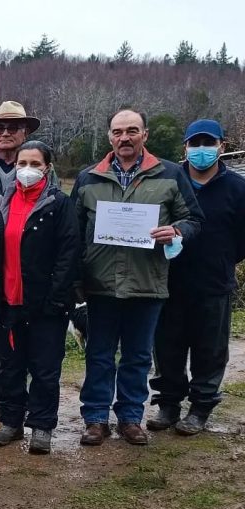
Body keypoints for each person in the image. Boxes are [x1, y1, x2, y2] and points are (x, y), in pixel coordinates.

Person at [72, 109, 203, 446]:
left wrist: (175, 230)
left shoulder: (171, 174)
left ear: (144, 134)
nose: (124, 138)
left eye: (132, 131)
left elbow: (194, 220)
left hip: (148, 282)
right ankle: (96, 418)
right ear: (109, 137)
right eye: (118, 132)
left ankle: (131, 417)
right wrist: (76, 279)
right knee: (99, 353)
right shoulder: (89, 178)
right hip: (100, 284)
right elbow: (73, 232)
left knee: (138, 355)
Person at [0, 142, 79, 454]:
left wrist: (56, 298)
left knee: (45, 368)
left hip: (45, 304)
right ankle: (11, 421)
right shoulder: (0, 204)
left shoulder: (59, 205)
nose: (27, 169)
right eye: (22, 162)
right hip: (6, 302)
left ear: (47, 168)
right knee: (10, 366)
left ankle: (42, 427)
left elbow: (68, 253)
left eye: (35, 163)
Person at [147, 119, 245, 435]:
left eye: (208, 144)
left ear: (221, 147)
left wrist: (224, 259)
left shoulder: (237, 188)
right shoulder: (169, 180)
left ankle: (200, 408)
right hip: (168, 280)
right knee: (167, 348)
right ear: (185, 148)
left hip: (214, 283)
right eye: (194, 144)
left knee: (210, 350)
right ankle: (169, 405)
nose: (201, 150)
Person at [0, 101, 57, 420]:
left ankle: (21, 399)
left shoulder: (42, 168)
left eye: (13, 127)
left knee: (26, 336)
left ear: (25, 131)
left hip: (27, 268)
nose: (5, 133)